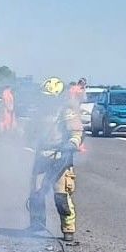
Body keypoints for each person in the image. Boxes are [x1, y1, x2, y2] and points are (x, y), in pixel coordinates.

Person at [28, 76, 84, 241]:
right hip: (42, 157)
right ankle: (37, 224)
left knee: (61, 195)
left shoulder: (66, 112)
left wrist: (72, 143)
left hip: (61, 158)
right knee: (36, 193)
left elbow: (76, 132)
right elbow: (31, 132)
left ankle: (68, 230)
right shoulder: (39, 113)